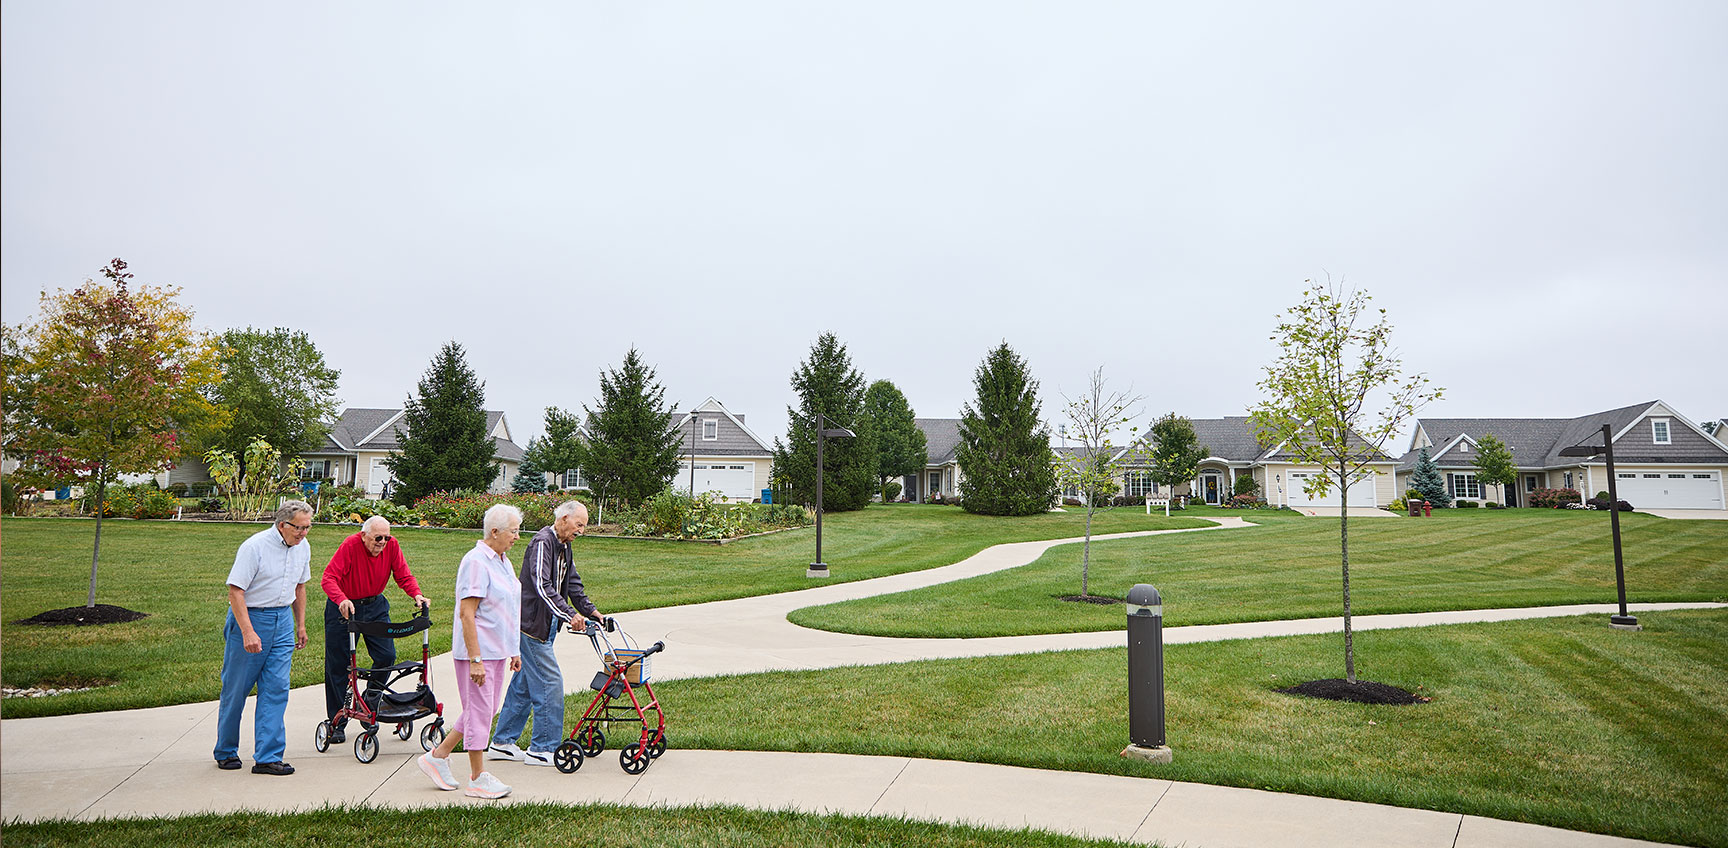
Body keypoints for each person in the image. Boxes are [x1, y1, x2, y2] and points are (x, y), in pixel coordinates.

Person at [418, 504, 524, 800]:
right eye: (513, 531)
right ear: (495, 532)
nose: (517, 537)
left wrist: (513, 649)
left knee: (485, 711)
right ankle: (477, 778)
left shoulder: (503, 560)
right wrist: (476, 659)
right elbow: (467, 614)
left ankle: (438, 756)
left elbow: (508, 608)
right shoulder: (476, 561)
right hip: (477, 652)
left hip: (498, 650)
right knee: (480, 713)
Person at [488, 500, 606, 767]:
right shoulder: (543, 542)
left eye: (584, 526)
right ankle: (543, 748)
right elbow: (542, 586)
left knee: (526, 684)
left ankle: (502, 742)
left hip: (546, 625)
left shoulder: (565, 546)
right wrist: (569, 614)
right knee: (550, 684)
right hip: (532, 627)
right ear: (564, 519)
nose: (582, 531)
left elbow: (572, 584)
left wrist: (591, 611)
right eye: (579, 524)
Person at [214, 500, 313, 776]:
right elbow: (236, 592)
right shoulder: (254, 547)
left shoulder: (302, 547)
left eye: (308, 527)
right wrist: (247, 631)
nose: (304, 533)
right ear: (283, 525)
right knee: (237, 689)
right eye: (299, 528)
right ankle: (226, 750)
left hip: (282, 622)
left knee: (277, 688)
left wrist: (300, 625)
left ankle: (268, 757)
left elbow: (300, 586)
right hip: (251, 617)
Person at [320, 515, 430, 743]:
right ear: (363, 536)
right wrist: (341, 599)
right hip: (344, 608)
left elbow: (403, 574)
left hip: (374, 606)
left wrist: (416, 594)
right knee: (339, 664)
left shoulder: (392, 546)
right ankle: (337, 720)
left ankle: (370, 700)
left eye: (386, 537)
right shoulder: (351, 545)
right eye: (377, 537)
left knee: (386, 655)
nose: (382, 542)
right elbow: (329, 578)